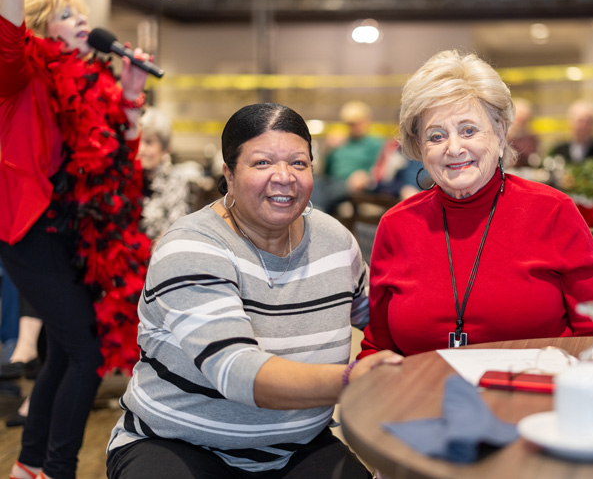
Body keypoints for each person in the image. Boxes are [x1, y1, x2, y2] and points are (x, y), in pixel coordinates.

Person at [106, 103, 402, 479]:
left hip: (298, 447)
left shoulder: (335, 242)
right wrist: (350, 380)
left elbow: (387, 318)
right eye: (262, 163)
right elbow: (237, 371)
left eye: (299, 163)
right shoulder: (191, 246)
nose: (284, 177)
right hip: (178, 444)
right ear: (228, 173)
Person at [359, 50, 593, 359]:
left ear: (499, 132)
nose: (454, 148)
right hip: (426, 399)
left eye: (469, 130)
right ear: (419, 146)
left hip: (534, 396)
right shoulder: (396, 225)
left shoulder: (552, 211)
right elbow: (378, 348)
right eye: (436, 136)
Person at [0, 0, 153, 478]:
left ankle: (30, 465)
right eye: (66, 13)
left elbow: (120, 172)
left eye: (81, 12)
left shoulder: (94, 82)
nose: (81, 19)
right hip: (27, 228)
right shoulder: (19, 73)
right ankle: (57, 469)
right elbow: (8, 30)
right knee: (87, 349)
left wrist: (130, 97)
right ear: (40, 27)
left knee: (68, 349)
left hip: (71, 231)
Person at [137, 107, 207, 242]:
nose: (141, 149)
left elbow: (177, 231)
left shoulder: (175, 182)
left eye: (149, 142)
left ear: (164, 149)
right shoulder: (123, 180)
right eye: (138, 141)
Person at [311, 100, 384, 214]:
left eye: (357, 122)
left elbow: (380, 170)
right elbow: (326, 171)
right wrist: (328, 150)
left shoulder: (375, 144)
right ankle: (314, 213)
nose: (354, 127)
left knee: (325, 192)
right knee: (314, 182)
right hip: (332, 182)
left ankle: (316, 213)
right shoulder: (340, 142)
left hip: (353, 185)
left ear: (366, 121)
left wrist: (366, 177)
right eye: (350, 124)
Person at [549, 100, 593, 165]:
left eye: (588, 122)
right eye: (580, 121)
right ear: (570, 123)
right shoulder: (559, 151)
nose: (584, 126)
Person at [508, 97, 540, 168]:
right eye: (519, 119)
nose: (520, 123)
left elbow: (532, 158)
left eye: (524, 120)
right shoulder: (503, 136)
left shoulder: (532, 139)